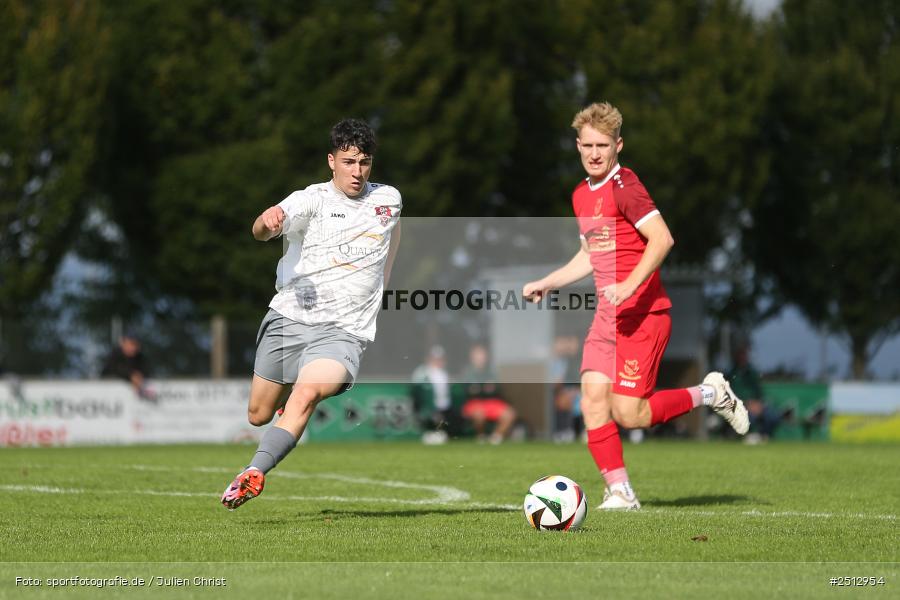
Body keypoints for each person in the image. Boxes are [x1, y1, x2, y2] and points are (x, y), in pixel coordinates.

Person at [522, 102, 749, 510]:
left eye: (603, 145)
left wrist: (628, 285)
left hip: (644, 316)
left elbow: (662, 239)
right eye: (588, 145)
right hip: (608, 317)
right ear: (577, 146)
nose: (594, 153)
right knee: (592, 399)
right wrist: (548, 282)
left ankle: (711, 393)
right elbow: (591, 255)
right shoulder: (579, 194)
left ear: (618, 146)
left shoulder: (625, 186)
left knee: (630, 414)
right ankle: (620, 491)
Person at [221, 118, 402, 510]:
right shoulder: (310, 199)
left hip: (344, 330)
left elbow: (394, 230)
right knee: (258, 414)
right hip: (290, 318)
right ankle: (286, 411)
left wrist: (383, 281)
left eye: (365, 162)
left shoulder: (388, 199)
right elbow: (262, 230)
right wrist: (266, 224)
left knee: (305, 394)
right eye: (349, 161)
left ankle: (254, 472)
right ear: (331, 161)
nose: (357, 171)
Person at [459, 343, 516, 444]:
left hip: (491, 402)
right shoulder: (467, 372)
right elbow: (468, 390)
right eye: (478, 356)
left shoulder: (492, 372)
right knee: (479, 414)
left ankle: (496, 437)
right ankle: (481, 437)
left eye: (482, 356)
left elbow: (495, 388)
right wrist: (481, 389)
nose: (480, 359)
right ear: (472, 357)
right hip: (474, 403)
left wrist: (483, 389)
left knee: (509, 414)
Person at [411, 345, 459, 444]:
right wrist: (427, 410)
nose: (438, 361)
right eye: (435, 359)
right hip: (429, 410)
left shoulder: (444, 374)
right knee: (433, 418)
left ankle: (440, 433)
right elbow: (416, 395)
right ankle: (431, 432)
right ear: (429, 359)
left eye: (440, 359)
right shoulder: (421, 373)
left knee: (453, 421)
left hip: (445, 409)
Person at [101, 333, 155, 401]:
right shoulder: (114, 356)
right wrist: (130, 375)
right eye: (131, 344)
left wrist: (140, 376)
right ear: (123, 344)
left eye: (136, 344)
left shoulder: (140, 357)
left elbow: (147, 371)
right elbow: (109, 372)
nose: (133, 347)